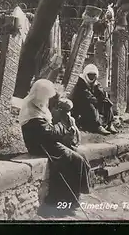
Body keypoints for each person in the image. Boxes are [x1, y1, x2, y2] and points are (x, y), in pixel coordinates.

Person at [19, 79, 91, 214]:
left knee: (81, 156)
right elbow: (50, 133)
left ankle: (76, 195)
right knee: (74, 159)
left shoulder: (38, 104)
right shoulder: (30, 109)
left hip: (47, 141)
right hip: (39, 145)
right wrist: (63, 124)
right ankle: (64, 200)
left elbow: (50, 130)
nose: (48, 100)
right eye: (46, 96)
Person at [70, 64, 118, 135]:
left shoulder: (95, 83)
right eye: (90, 75)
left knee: (107, 102)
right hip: (80, 107)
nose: (91, 77)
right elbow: (87, 97)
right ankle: (97, 126)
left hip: (93, 102)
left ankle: (109, 123)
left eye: (93, 75)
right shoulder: (81, 82)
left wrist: (99, 90)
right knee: (90, 104)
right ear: (86, 74)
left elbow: (102, 95)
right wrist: (99, 100)